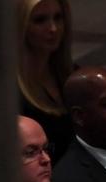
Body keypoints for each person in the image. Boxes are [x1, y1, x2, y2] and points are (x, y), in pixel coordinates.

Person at [17, 0, 74, 161]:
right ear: (21, 25)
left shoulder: (72, 75)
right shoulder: (11, 91)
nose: (53, 29)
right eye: (40, 20)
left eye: (58, 18)